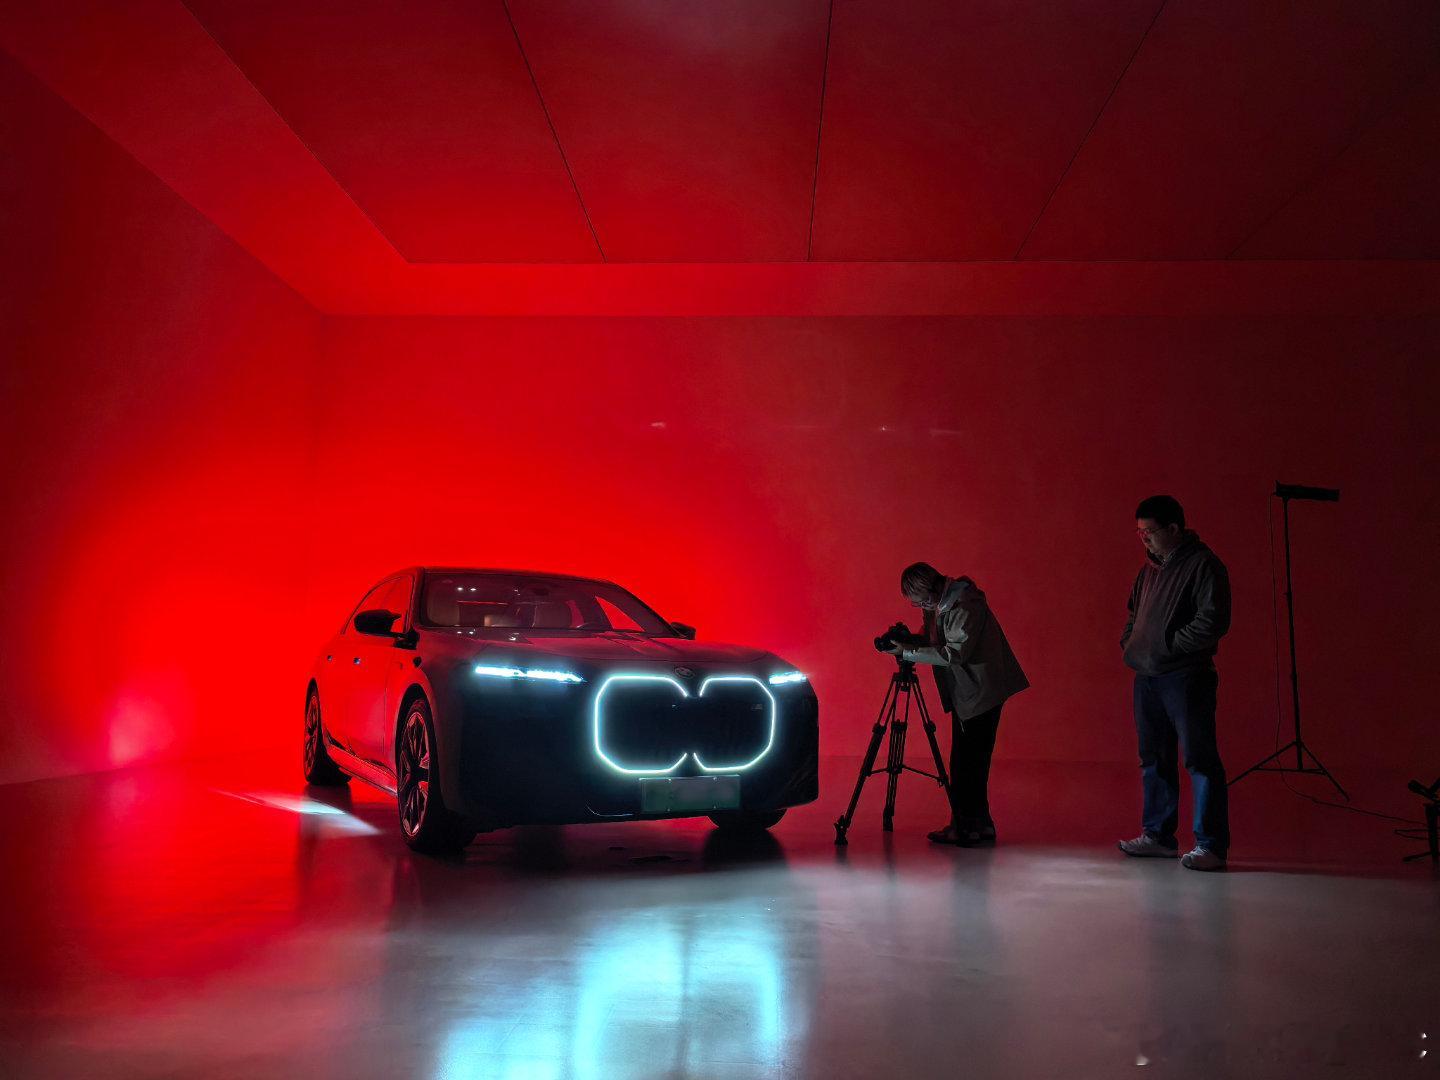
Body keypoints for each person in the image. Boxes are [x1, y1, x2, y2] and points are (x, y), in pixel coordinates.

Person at [1118, 495, 1232, 871]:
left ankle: (1210, 846)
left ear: (1174, 529)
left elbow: (1212, 621)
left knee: (1199, 759)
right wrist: (1132, 644)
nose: (1144, 539)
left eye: (1150, 532)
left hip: (1186, 676)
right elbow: (1133, 613)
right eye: (1139, 532)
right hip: (1147, 676)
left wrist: (1168, 646)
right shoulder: (1148, 570)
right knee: (1154, 758)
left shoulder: (1203, 565)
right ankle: (1158, 837)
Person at [882, 562, 1029, 846]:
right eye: (917, 604)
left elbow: (954, 653)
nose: (922, 607)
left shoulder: (965, 604)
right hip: (970, 691)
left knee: (966, 765)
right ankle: (980, 826)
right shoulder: (939, 603)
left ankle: (964, 828)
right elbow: (935, 638)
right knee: (971, 762)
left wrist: (909, 653)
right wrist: (909, 640)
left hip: (980, 692)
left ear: (935, 587)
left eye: (923, 601)